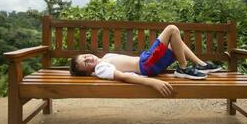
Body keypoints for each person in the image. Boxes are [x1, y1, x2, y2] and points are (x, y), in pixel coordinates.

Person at [70, 25, 221, 97]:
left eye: (85, 56)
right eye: (86, 63)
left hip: (147, 62)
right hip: (146, 64)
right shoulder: (100, 68)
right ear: (89, 71)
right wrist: (153, 83)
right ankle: (183, 68)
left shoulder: (103, 59)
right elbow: (123, 76)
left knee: (174, 41)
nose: (88, 59)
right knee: (172, 29)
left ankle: (201, 65)